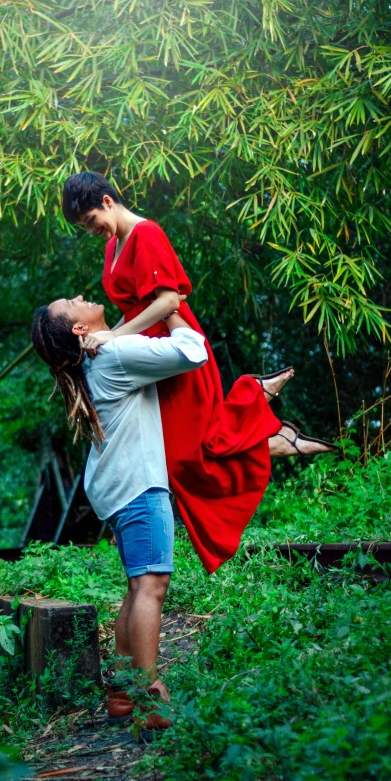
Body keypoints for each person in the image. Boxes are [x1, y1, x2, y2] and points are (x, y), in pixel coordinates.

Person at [31, 293, 336, 741]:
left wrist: (142, 303)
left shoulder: (99, 354)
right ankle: (150, 698)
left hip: (113, 484)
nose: (80, 296)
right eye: (71, 303)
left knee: (137, 587)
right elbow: (192, 350)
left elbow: (133, 323)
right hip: (136, 485)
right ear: (79, 330)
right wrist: (170, 307)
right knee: (151, 586)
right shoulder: (113, 351)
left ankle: (120, 692)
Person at [62, 172, 335, 576]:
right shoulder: (113, 246)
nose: (91, 230)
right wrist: (104, 339)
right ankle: (265, 423)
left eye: (89, 221)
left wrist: (114, 337)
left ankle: (259, 412)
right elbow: (134, 307)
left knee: (186, 455)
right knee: (180, 455)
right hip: (147, 355)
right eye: (84, 227)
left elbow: (170, 299)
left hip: (175, 346)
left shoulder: (146, 234)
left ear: (106, 200)